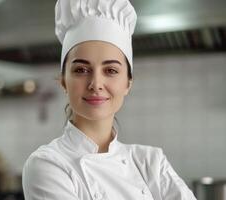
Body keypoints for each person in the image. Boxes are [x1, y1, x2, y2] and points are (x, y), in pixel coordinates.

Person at [22, 0, 197, 199]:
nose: (96, 83)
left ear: (128, 84)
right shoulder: (48, 164)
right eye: (81, 70)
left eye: (111, 70)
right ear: (63, 81)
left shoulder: (150, 162)